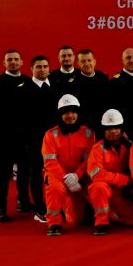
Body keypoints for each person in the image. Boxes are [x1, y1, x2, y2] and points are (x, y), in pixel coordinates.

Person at [42, 94, 96, 236]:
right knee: (55, 188)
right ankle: (54, 224)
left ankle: (67, 206)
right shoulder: (50, 135)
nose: (70, 116)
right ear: (60, 115)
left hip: (79, 178)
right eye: (66, 112)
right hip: (57, 176)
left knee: (76, 220)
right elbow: (50, 162)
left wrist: (77, 176)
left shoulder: (88, 133)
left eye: (73, 112)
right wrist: (67, 179)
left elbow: (89, 160)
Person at [0, 49, 28, 223]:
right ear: (4, 63)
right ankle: (0, 208)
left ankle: (23, 201)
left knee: (25, 171)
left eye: (16, 59)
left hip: (25, 136)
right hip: (6, 136)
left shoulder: (28, 81)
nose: (13, 62)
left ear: (21, 62)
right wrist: (8, 129)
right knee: (4, 173)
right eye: (9, 59)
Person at [86, 109, 133, 235]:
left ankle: (112, 215)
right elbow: (96, 175)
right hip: (102, 189)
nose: (113, 131)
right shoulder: (97, 148)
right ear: (103, 131)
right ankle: (101, 223)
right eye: (109, 128)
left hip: (120, 191)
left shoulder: (130, 147)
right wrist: (124, 180)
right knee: (99, 187)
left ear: (121, 130)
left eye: (116, 128)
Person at [18, 55, 57, 222]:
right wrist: (26, 142)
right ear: (31, 69)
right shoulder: (24, 90)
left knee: (54, 172)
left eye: (45, 66)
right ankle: (40, 208)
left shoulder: (55, 86)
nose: (42, 69)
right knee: (36, 174)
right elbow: (21, 119)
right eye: (39, 67)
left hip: (55, 140)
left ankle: (56, 205)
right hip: (34, 141)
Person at [109, 47, 133, 140]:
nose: (132, 60)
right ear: (122, 60)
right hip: (126, 132)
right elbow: (113, 109)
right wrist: (121, 130)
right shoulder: (116, 81)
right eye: (128, 57)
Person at [72, 48, 109, 136]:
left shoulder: (103, 77)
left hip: (105, 124)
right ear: (78, 63)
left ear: (94, 61)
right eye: (83, 61)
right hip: (85, 127)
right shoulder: (74, 83)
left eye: (89, 60)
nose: (87, 63)